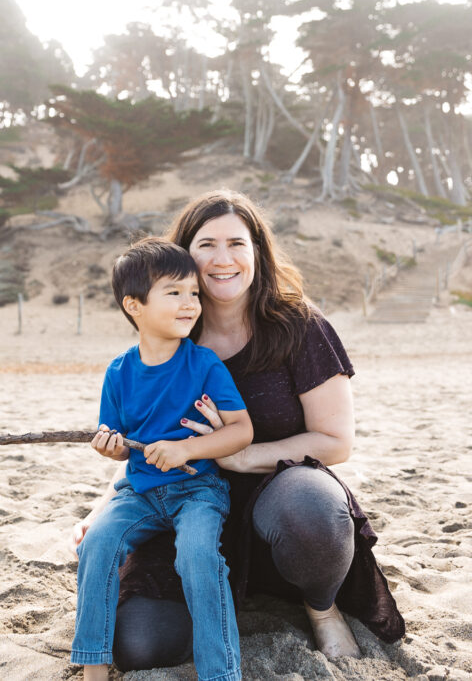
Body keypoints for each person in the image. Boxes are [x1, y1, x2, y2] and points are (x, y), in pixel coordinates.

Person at [71, 190, 405, 672]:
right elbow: (146, 432)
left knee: (311, 512)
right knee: (142, 646)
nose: (222, 259)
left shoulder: (300, 328)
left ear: (257, 253)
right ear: (184, 257)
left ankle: (320, 606)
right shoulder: (173, 329)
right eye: (206, 245)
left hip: (276, 495)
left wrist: (240, 455)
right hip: (178, 496)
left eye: (237, 244)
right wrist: (103, 506)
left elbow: (337, 442)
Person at [71, 237, 254, 681]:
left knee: (196, 555)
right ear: (134, 306)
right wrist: (109, 445)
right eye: (174, 293)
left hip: (198, 489)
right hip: (138, 489)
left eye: (193, 293)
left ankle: (221, 674)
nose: (190, 303)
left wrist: (186, 449)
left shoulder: (204, 364)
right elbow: (115, 437)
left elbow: (241, 430)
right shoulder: (119, 372)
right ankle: (93, 668)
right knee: (96, 544)